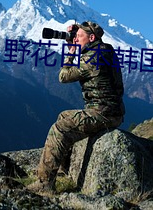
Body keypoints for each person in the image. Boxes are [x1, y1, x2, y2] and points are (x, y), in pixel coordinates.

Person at [27, 21, 125, 193]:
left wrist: (70, 53)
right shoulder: (106, 49)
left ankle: (44, 184)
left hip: (102, 113)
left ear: (92, 38)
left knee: (60, 128)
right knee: (64, 115)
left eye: (80, 36)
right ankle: (64, 169)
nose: (76, 39)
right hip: (112, 111)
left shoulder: (92, 58)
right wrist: (77, 34)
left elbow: (63, 77)